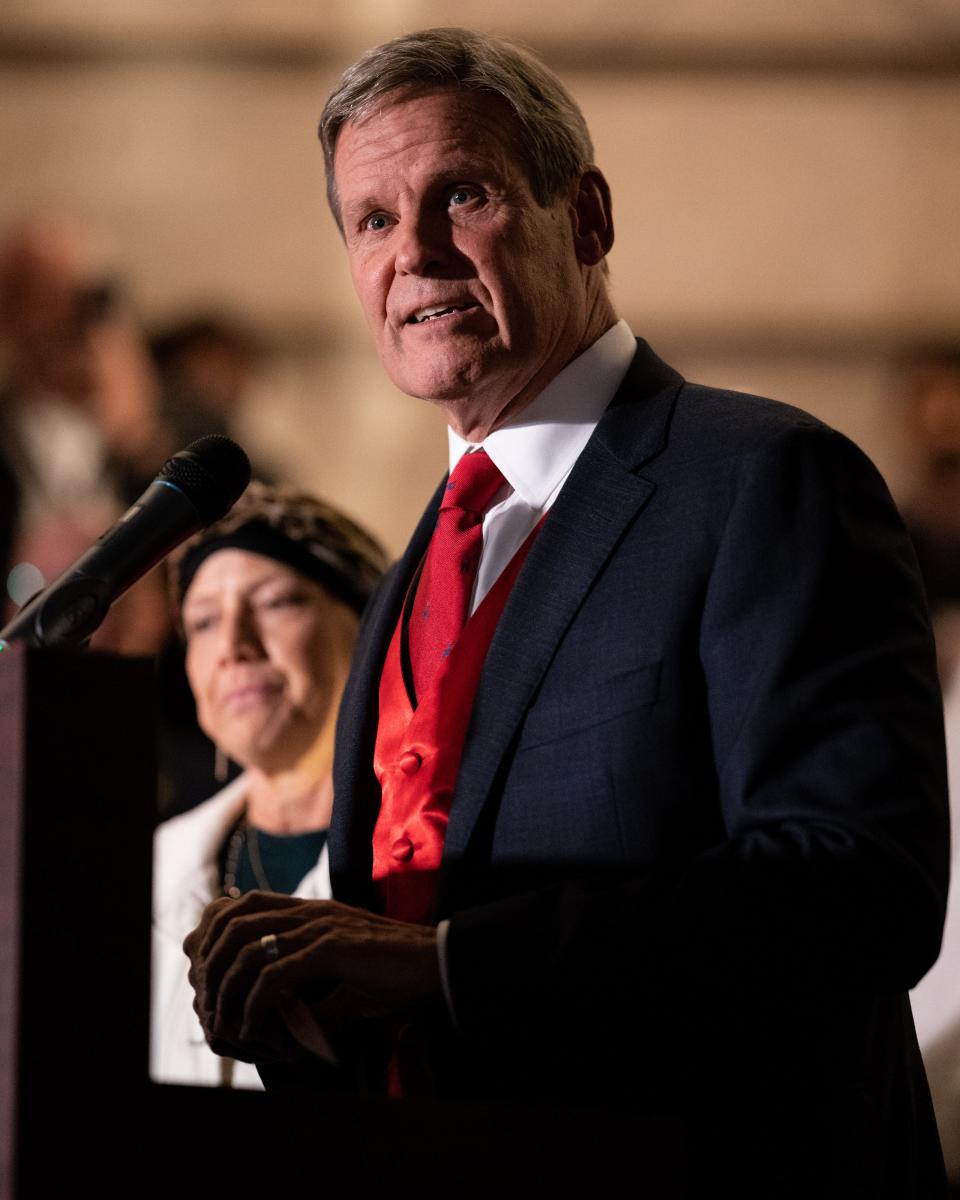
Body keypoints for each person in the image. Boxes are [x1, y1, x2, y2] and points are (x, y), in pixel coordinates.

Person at [185, 28, 950, 1193]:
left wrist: (444, 967)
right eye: (374, 221)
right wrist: (299, 1012)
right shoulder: (407, 582)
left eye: (464, 195)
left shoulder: (764, 479)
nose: (418, 253)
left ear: (586, 217)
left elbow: (856, 893)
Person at [151, 481, 385, 1086]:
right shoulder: (154, 866)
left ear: (365, 625)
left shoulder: (422, 831)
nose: (233, 646)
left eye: (276, 602)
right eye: (203, 622)